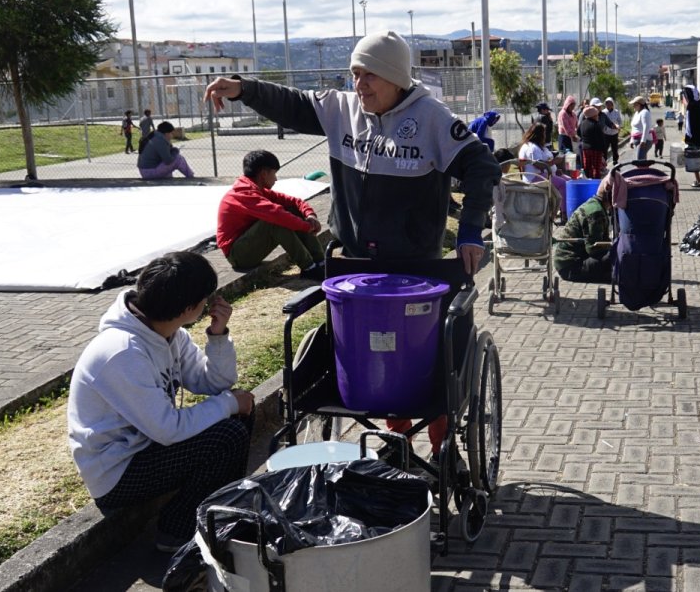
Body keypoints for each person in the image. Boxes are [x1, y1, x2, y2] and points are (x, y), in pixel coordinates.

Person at [202, 30, 500, 456]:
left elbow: (482, 166)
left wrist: (470, 231)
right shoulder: (343, 109)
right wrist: (244, 90)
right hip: (355, 265)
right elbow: (294, 103)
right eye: (355, 74)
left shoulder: (431, 118)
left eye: (370, 75)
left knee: (429, 369)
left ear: (397, 77)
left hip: (415, 269)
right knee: (374, 362)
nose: (360, 84)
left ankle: (442, 445)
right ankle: (397, 439)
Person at [67, 251, 255, 553]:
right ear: (189, 307)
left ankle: (215, 513)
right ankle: (177, 530)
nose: (210, 304)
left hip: (147, 446)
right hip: (117, 472)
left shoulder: (168, 333)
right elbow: (167, 429)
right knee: (228, 431)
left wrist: (218, 336)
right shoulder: (122, 353)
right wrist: (229, 403)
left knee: (237, 412)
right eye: (206, 299)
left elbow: (214, 383)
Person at [217, 150, 324, 279]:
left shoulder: (257, 189)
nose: (276, 178)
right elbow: (277, 215)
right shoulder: (244, 194)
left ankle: (321, 262)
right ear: (264, 173)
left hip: (247, 245)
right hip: (237, 256)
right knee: (274, 221)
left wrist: (310, 216)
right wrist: (307, 227)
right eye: (274, 173)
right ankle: (309, 268)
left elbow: (295, 202)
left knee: (290, 209)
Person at [553, 178, 613, 283]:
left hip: (569, 261)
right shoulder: (595, 213)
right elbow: (594, 249)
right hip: (571, 265)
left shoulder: (595, 204)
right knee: (619, 261)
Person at [516, 122, 567, 219]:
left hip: (543, 175)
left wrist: (555, 170)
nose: (545, 135)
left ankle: (566, 208)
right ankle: (564, 213)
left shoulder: (537, 146)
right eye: (543, 133)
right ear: (539, 135)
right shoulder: (532, 148)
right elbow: (540, 166)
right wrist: (555, 161)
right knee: (563, 184)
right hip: (535, 177)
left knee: (569, 181)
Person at [577, 104, 610, 179]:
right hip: (596, 149)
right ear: (593, 116)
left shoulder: (582, 124)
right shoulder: (596, 125)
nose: (598, 116)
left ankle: (588, 181)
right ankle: (595, 184)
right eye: (596, 115)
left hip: (585, 148)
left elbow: (578, 133)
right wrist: (604, 153)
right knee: (596, 168)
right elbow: (602, 140)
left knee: (587, 167)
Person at [629, 96, 653, 161]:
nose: (633, 106)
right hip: (637, 140)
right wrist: (631, 140)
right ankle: (645, 170)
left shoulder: (645, 112)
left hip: (644, 140)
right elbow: (633, 128)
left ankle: (644, 171)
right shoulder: (637, 113)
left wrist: (643, 140)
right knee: (641, 160)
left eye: (634, 104)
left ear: (639, 104)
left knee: (640, 160)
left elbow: (646, 126)